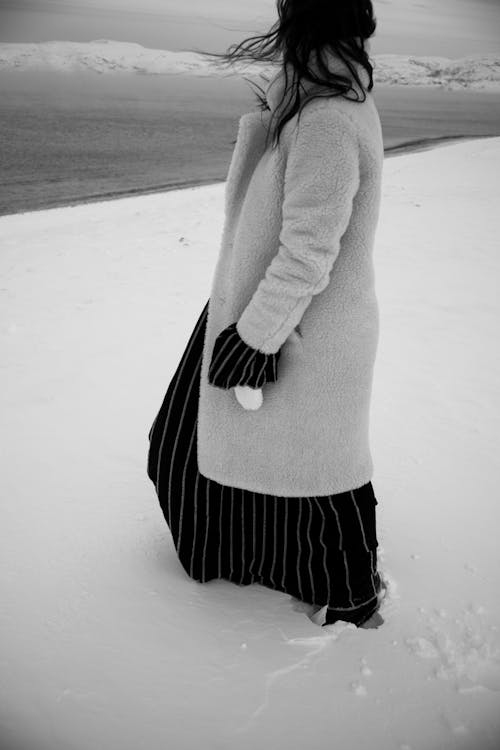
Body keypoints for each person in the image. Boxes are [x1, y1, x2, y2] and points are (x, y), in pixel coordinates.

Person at [147, 0, 386, 628]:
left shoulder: (327, 118)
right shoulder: (320, 100)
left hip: (288, 321)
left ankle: (350, 596)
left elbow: (311, 248)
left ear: (302, 24)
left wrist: (253, 340)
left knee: (311, 470)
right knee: (211, 449)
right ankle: (256, 564)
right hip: (261, 307)